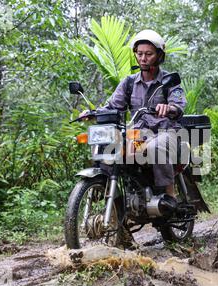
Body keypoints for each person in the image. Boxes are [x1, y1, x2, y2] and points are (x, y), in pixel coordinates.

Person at [79, 29, 186, 248]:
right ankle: (121, 202)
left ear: (159, 55)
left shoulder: (169, 81)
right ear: (135, 54)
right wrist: (92, 112)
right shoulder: (128, 82)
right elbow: (112, 105)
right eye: (140, 53)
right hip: (137, 132)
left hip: (165, 131)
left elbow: (179, 105)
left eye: (149, 54)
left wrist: (170, 107)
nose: (143, 58)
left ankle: (169, 195)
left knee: (156, 147)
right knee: (112, 148)